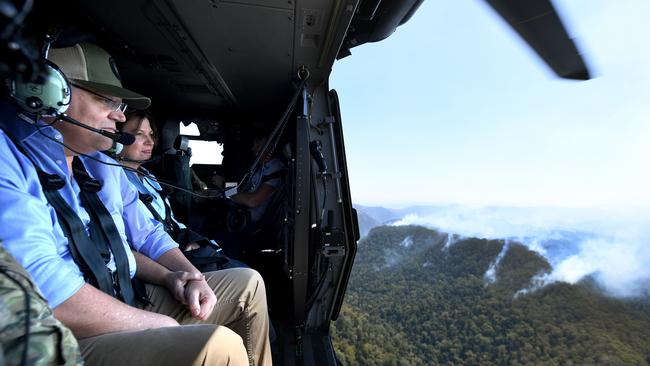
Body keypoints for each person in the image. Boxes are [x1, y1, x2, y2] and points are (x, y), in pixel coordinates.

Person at [0, 42, 271, 365]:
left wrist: (185, 276)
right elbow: (46, 290)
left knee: (248, 285)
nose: (119, 115)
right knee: (217, 345)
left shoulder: (101, 164)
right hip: (67, 330)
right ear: (47, 92)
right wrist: (156, 324)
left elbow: (145, 236)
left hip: (125, 293)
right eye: (105, 100)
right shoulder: (8, 158)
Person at [116, 109, 247, 270]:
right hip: (161, 259)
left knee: (242, 268)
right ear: (116, 138)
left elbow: (171, 221)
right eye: (139, 134)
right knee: (245, 275)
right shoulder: (114, 180)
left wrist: (194, 240)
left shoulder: (148, 176)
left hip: (179, 245)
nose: (150, 142)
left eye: (151, 134)